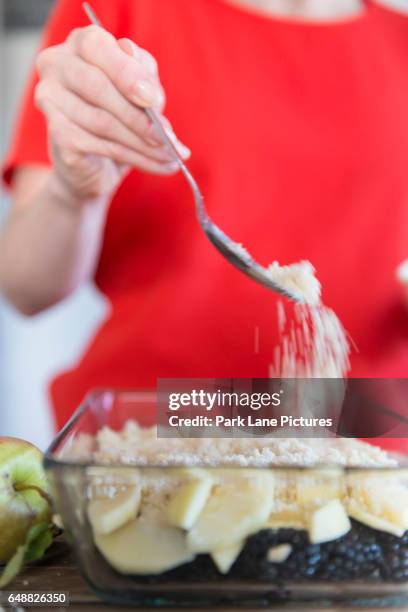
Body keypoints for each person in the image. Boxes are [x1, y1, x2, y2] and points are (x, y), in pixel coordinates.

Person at [1, 0, 408, 434]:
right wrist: (72, 192)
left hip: (370, 441)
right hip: (148, 437)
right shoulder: (121, 15)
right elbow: (26, 288)